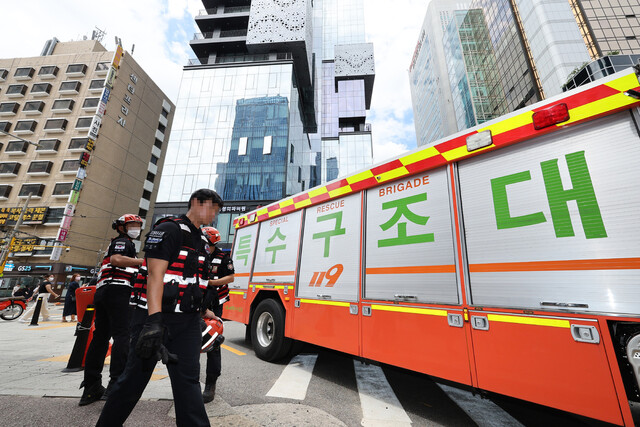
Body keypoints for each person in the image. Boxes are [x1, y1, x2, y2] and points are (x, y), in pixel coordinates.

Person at [97, 189, 223, 427]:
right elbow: (156, 275)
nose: (215, 214)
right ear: (197, 203)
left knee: (188, 382)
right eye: (213, 208)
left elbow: (193, 281)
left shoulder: (200, 239)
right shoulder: (169, 229)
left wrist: (204, 312)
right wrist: (153, 322)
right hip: (155, 318)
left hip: (186, 322)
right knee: (133, 381)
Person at [79, 214, 143, 406]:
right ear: (121, 227)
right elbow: (116, 260)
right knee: (123, 336)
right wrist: (144, 262)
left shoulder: (118, 242)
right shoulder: (123, 242)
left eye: (138, 225)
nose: (136, 228)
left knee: (101, 337)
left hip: (104, 292)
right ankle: (116, 386)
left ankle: (91, 386)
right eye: (131, 224)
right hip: (119, 291)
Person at [201, 226, 234, 403]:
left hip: (215, 304)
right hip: (197, 302)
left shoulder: (223, 258)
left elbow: (230, 277)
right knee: (193, 341)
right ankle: (189, 382)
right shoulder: (198, 253)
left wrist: (212, 282)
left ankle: (210, 384)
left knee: (213, 343)